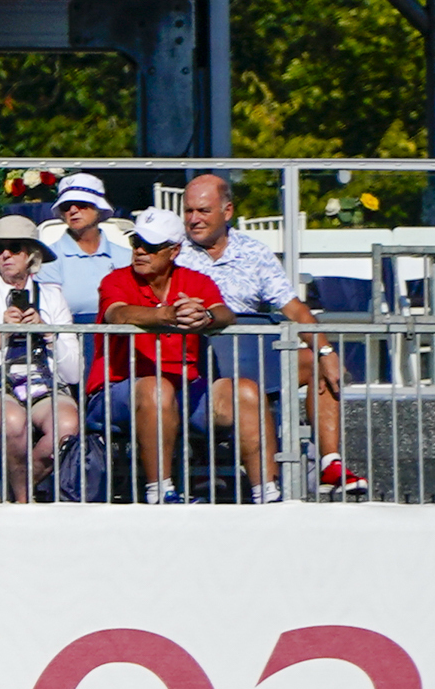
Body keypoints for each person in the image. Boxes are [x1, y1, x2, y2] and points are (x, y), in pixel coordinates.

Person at [181, 170, 356, 498]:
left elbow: (295, 309)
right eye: (188, 211)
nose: (193, 219)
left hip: (254, 361)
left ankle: (330, 462)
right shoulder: (173, 253)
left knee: (321, 365)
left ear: (227, 211)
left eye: (203, 211)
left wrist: (327, 353)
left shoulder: (254, 252)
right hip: (200, 369)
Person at [91, 214, 272, 506]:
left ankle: (269, 496)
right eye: (136, 242)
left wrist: (206, 317)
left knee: (246, 391)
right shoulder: (116, 279)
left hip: (184, 390)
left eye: (150, 245)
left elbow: (226, 313)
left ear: (173, 251)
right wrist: (166, 315)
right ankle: (160, 493)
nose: (139, 250)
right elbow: (118, 314)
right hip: (116, 391)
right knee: (157, 388)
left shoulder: (194, 280)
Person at [0, 220, 84, 504]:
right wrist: (1, 335)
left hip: (44, 384)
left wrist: (48, 332)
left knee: (68, 425)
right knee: (13, 420)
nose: (5, 255)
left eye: (14, 248)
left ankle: (10, 490)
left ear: (31, 255)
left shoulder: (52, 297)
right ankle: (23, 501)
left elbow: (73, 373)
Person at [39, 171, 127, 317]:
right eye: (66, 206)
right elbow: (50, 311)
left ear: (99, 209)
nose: (73, 210)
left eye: (81, 204)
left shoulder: (127, 256)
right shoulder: (48, 258)